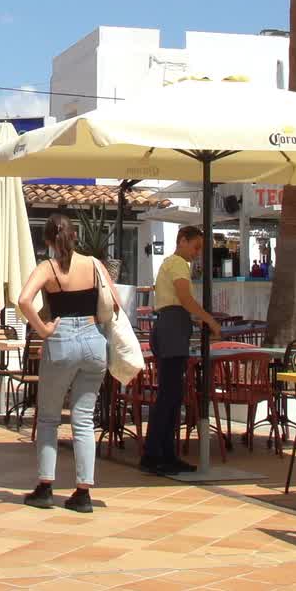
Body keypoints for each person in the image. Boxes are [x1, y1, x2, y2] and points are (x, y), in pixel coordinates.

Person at [16, 213, 120, 513]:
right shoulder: (94, 264)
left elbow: (24, 300)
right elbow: (114, 301)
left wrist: (43, 328)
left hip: (61, 339)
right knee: (83, 418)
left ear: (48, 240)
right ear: (75, 236)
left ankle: (46, 486)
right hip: (93, 339)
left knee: (48, 417)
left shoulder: (47, 268)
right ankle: (83, 492)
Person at [140, 225, 221, 476]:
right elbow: (184, 299)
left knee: (171, 396)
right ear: (182, 241)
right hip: (172, 329)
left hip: (170, 326)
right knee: (169, 396)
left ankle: (164, 453)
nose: (197, 253)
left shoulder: (169, 263)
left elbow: (179, 302)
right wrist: (209, 319)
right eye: (195, 246)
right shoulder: (177, 264)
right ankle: (155, 454)